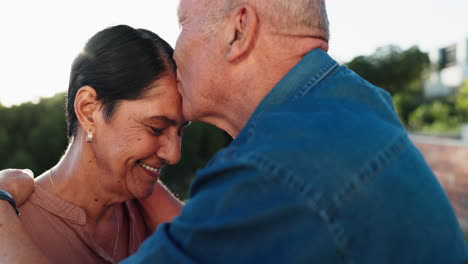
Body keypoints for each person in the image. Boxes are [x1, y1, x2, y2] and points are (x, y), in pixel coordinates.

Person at [1, 0, 468, 263]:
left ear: (239, 29)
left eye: (182, 21)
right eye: (156, 125)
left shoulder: (275, 172)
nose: (178, 47)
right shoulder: (354, 105)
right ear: (89, 109)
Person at [0, 25, 187, 263]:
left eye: (180, 131)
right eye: (156, 128)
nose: (174, 154)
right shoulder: (16, 226)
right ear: (89, 111)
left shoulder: (158, 219)